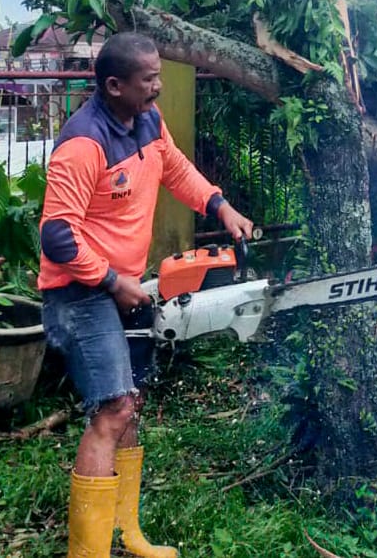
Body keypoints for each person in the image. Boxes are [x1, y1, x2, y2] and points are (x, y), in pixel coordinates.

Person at [38, 32, 253, 558]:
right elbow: (57, 236)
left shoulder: (148, 123)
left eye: (158, 75)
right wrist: (112, 281)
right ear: (114, 86)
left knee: (128, 409)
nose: (158, 87)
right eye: (148, 80)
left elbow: (176, 170)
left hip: (121, 289)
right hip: (80, 292)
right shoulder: (83, 144)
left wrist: (220, 206)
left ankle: (128, 536)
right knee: (112, 410)